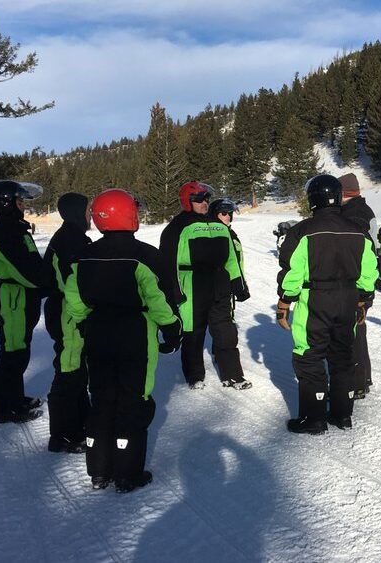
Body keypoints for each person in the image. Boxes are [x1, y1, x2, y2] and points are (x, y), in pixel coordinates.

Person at [65, 189, 181, 493]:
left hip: (97, 329)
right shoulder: (144, 255)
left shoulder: (83, 256)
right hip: (134, 332)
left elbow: (73, 297)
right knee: (133, 398)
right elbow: (158, 299)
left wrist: (83, 322)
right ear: (129, 216)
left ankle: (99, 471)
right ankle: (127, 473)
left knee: (102, 397)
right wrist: (171, 328)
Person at [276, 174, 378, 434]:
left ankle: (314, 418)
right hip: (347, 300)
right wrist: (363, 300)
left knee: (309, 357)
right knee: (343, 355)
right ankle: (343, 415)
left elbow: (293, 273)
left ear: (313, 199)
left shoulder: (302, 231)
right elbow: (369, 272)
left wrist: (285, 302)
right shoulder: (358, 231)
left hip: (316, 300)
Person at [159, 182, 249, 389]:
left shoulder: (218, 225)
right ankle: (195, 375)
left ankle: (233, 374)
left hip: (219, 283)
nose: (205, 203)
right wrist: (173, 292)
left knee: (225, 330)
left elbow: (231, 260)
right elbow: (167, 264)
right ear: (187, 202)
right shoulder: (177, 228)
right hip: (192, 284)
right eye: (199, 199)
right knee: (193, 332)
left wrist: (239, 284)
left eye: (207, 199)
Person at [0, 180, 47, 424]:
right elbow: (25, 270)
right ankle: (5, 407)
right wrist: (47, 284)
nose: (24, 206)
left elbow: (31, 263)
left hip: (21, 296)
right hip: (14, 298)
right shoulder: (6, 231)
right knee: (12, 352)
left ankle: (15, 397)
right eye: (20, 201)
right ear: (7, 203)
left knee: (21, 348)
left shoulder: (15, 227)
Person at [42, 192, 92, 452]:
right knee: (68, 372)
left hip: (66, 311)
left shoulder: (71, 236)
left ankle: (81, 424)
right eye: (87, 210)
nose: (90, 215)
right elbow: (71, 284)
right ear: (76, 213)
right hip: (68, 314)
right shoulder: (69, 241)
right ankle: (64, 435)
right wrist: (83, 316)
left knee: (76, 371)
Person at [338, 173, 377, 399]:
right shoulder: (366, 210)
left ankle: (357, 382)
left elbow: (359, 250)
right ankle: (363, 377)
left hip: (356, 279)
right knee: (357, 328)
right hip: (365, 277)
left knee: (351, 331)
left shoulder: (352, 214)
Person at [207, 197, 252, 389]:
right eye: (223, 213)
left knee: (222, 326)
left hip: (227, 287)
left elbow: (237, 264)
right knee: (225, 330)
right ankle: (233, 375)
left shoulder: (229, 233)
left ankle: (220, 358)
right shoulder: (214, 233)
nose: (227, 216)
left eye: (229, 213)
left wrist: (240, 283)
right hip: (216, 289)